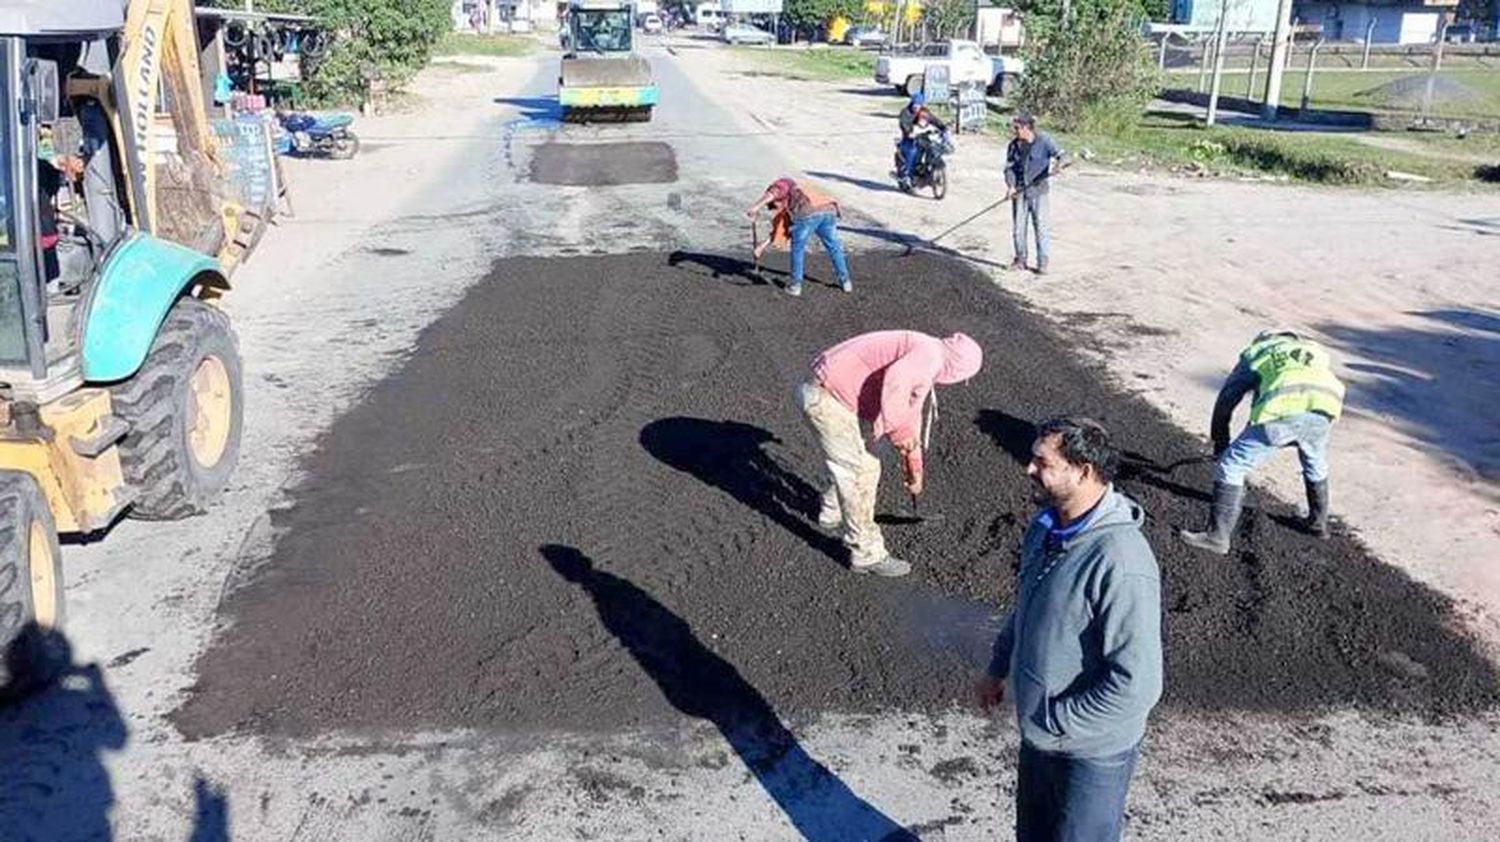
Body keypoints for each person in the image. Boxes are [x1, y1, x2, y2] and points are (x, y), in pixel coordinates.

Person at [977, 416, 1162, 842]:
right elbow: (1028, 605)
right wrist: (997, 667)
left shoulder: (1121, 562)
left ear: (1084, 472)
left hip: (1091, 753)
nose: (1029, 469)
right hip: (1041, 737)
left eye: (1043, 462)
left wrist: (1056, 719)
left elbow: (1138, 684)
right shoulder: (1045, 529)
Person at [797, 330, 984, 577]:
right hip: (828, 397)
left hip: (834, 393)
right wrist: (899, 433)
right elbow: (897, 382)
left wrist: (914, 468)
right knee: (858, 473)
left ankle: (832, 512)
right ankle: (866, 554)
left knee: (861, 463)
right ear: (959, 368)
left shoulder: (928, 352)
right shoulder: (928, 356)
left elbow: (911, 412)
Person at [1180, 330, 1346, 555]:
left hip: (1283, 412)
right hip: (1325, 409)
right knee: (1314, 459)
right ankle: (1318, 524)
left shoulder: (1257, 353)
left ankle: (1216, 537)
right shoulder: (1313, 351)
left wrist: (1221, 443)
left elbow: (1227, 399)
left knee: (1232, 465)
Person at [746, 178, 851, 297]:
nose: (777, 207)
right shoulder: (800, 192)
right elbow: (780, 231)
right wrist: (761, 247)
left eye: (775, 204)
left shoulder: (786, 185)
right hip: (828, 210)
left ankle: (795, 286)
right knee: (834, 247)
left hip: (807, 212)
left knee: (798, 250)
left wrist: (755, 207)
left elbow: (773, 192)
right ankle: (846, 282)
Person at [1004, 113, 1066, 275]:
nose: (1015, 131)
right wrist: (1011, 186)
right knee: (1018, 229)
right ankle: (1020, 260)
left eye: (1017, 128)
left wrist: (1059, 165)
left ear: (1026, 128)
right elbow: (1009, 168)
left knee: (1041, 228)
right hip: (1019, 191)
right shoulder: (1013, 146)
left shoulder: (1044, 141)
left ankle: (1042, 263)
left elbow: (1063, 155)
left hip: (1039, 192)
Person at [896, 92, 931, 190]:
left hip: (920, 138)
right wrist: (908, 132)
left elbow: (932, 119)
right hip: (908, 139)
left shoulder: (924, 112)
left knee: (931, 147)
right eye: (915, 104)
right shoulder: (905, 112)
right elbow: (903, 123)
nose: (916, 107)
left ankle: (925, 171)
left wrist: (943, 128)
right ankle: (907, 175)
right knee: (913, 151)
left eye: (919, 105)